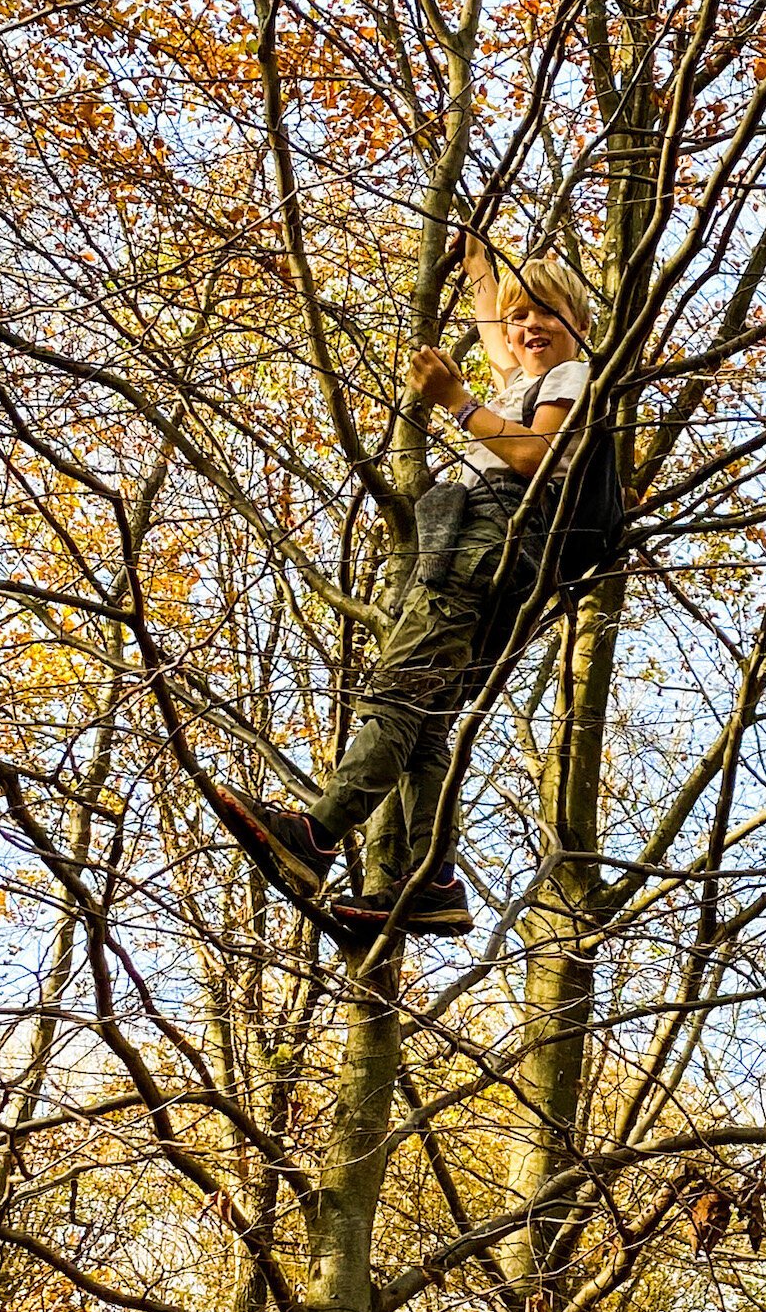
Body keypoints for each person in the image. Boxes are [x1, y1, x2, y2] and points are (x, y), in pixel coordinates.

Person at [213, 234, 608, 939]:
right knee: (427, 721)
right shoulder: (524, 376)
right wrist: (483, 273)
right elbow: (498, 342)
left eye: (547, 313)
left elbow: (533, 454)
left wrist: (455, 401)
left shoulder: (572, 379)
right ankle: (431, 883)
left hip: (486, 542)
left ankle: (315, 838)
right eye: (521, 319)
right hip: (507, 568)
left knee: (399, 693)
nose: (528, 328)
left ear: (579, 323)